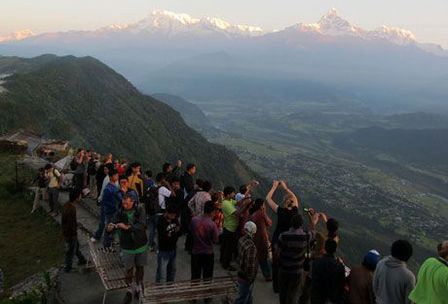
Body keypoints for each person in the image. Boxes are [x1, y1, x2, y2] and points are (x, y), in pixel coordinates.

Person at [107, 194, 148, 304]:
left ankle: (139, 287)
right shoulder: (120, 211)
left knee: (140, 267)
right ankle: (129, 290)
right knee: (129, 270)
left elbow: (142, 225)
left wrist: (127, 227)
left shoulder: (140, 210)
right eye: (123, 203)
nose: (124, 205)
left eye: (127, 203)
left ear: (133, 202)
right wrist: (110, 226)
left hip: (140, 245)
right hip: (127, 246)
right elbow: (113, 221)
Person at [266, 180, 300, 293]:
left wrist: (274, 187)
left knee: (276, 265)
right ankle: (285, 286)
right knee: (287, 264)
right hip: (289, 242)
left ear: (284, 202)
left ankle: (276, 287)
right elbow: (295, 198)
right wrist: (286, 188)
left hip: (277, 241)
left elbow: (268, 199)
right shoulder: (295, 212)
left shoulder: (280, 211)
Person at [277, 214, 315, 304]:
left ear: (291, 223)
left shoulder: (283, 236)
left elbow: (277, 252)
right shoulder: (306, 236)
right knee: (292, 294)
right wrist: (311, 219)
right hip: (297, 270)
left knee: (283, 293)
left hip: (284, 269)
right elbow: (313, 231)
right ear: (301, 224)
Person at [373, 240, 415, 304]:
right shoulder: (409, 276)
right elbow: (409, 302)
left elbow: (374, 286)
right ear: (408, 256)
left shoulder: (380, 264)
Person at [190, 200, 219, 281]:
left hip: (196, 252)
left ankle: (195, 293)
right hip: (208, 253)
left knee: (195, 277)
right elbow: (216, 240)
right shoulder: (212, 224)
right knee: (207, 277)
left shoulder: (194, 220)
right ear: (212, 212)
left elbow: (191, 232)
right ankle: (206, 292)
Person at [311, 239, 346, 304]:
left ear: (325, 248)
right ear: (335, 250)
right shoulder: (339, 266)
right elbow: (341, 283)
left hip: (316, 296)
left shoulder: (316, 261)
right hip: (329, 298)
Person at [91, 169, 119, 247]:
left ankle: (111, 242)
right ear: (111, 177)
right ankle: (106, 245)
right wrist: (114, 206)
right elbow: (104, 201)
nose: (117, 177)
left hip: (114, 211)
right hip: (110, 211)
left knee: (113, 227)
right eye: (115, 175)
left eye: (117, 175)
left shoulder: (115, 186)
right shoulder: (108, 188)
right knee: (108, 228)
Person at [61, 189, 87, 272]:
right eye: (79, 196)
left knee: (75, 247)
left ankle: (82, 260)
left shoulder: (67, 205)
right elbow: (70, 224)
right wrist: (74, 232)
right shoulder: (71, 209)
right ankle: (68, 267)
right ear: (76, 198)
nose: (80, 197)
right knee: (71, 250)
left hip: (67, 232)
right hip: (70, 234)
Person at [156, 204, 181, 283]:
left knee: (172, 271)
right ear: (167, 213)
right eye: (172, 215)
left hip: (173, 249)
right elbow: (164, 238)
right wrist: (174, 234)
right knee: (162, 273)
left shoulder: (175, 219)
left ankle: (170, 287)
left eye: (175, 215)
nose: (173, 217)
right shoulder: (160, 221)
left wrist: (171, 235)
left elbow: (179, 231)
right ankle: (160, 289)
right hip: (163, 250)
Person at [234, 221, 258, 304]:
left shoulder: (241, 240)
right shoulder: (251, 247)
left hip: (240, 273)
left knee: (247, 296)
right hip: (246, 278)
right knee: (242, 298)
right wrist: (251, 278)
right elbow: (250, 266)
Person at [249, 198, 273, 281]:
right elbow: (269, 223)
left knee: (257, 256)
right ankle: (268, 275)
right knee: (264, 258)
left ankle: (252, 273)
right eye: (263, 204)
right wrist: (265, 212)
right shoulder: (261, 214)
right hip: (262, 238)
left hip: (255, 238)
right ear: (261, 206)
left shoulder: (253, 214)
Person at [220, 186, 239, 271]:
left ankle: (222, 260)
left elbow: (238, 203)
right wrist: (246, 204)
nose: (234, 194)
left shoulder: (230, 201)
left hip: (228, 227)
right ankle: (226, 265)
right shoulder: (226, 204)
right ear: (228, 195)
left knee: (225, 246)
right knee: (228, 248)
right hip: (230, 228)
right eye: (233, 193)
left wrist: (246, 199)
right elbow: (237, 213)